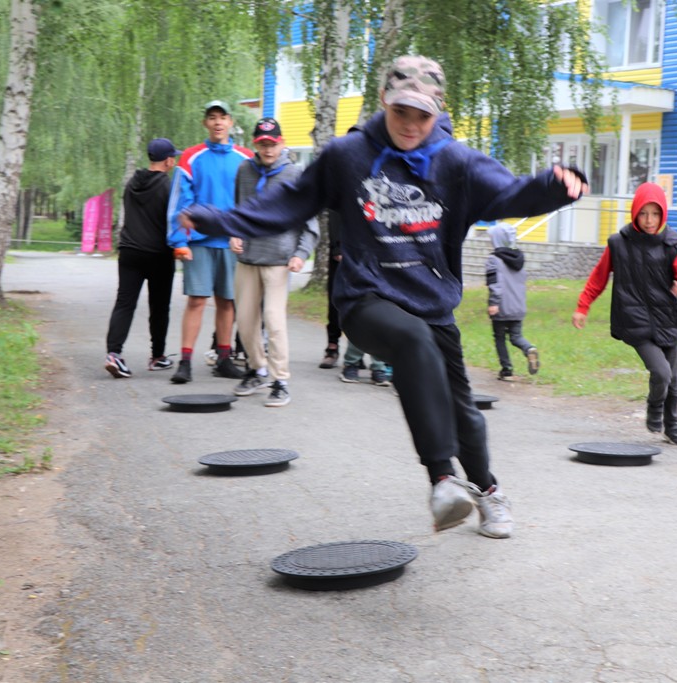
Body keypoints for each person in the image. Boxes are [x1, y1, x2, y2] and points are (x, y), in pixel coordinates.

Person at [181, 55, 588, 539]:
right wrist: (220, 221)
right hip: (366, 297)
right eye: (401, 112)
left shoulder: (455, 161)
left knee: (465, 414)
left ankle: (486, 489)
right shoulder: (348, 155)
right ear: (383, 102)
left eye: (422, 114)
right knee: (412, 341)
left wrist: (554, 186)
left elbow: (510, 192)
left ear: (437, 110)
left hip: (432, 301)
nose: (411, 125)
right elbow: (288, 202)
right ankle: (441, 479)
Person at [572, 181, 677, 446]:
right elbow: (598, 277)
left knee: (674, 380)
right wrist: (583, 306)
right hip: (635, 322)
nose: (649, 220)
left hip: (667, 321)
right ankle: (654, 407)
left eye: (655, 214)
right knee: (662, 373)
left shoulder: (670, 245)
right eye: (643, 213)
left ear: (663, 214)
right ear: (635, 213)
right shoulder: (619, 244)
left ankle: (672, 426)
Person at [230, 117, 318, 407]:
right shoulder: (244, 171)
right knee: (245, 322)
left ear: (281, 143)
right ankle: (258, 369)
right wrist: (234, 234)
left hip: (279, 260)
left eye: (273, 144)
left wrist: (300, 253)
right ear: (256, 145)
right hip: (249, 258)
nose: (268, 150)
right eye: (263, 144)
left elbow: (310, 221)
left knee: (274, 320)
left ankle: (280, 380)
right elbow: (238, 212)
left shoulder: (295, 174)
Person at [166, 100, 252, 384]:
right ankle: (186, 361)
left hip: (231, 242)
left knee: (228, 302)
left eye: (222, 117)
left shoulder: (245, 158)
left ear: (230, 122)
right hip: (200, 242)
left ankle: (224, 358)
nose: (217, 122)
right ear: (205, 123)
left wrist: (248, 234)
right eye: (212, 118)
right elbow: (179, 201)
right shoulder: (191, 157)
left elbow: (252, 202)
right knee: (197, 301)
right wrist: (179, 240)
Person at [105, 138, 181, 378]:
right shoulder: (168, 188)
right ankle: (157, 356)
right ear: (168, 160)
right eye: (173, 157)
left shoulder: (132, 183)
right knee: (159, 307)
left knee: (124, 303)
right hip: (158, 254)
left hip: (129, 251)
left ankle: (113, 354)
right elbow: (174, 220)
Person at [485, 223, 539, 381]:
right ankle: (529, 349)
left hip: (501, 306)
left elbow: (494, 282)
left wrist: (493, 303)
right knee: (516, 336)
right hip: (518, 305)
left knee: (499, 337)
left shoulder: (493, 260)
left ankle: (507, 370)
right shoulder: (519, 258)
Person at [319, 211, 344, 368]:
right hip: (341, 250)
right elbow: (335, 214)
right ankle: (332, 346)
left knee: (363, 301)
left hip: (364, 249)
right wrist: (336, 247)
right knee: (335, 300)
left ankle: (355, 356)